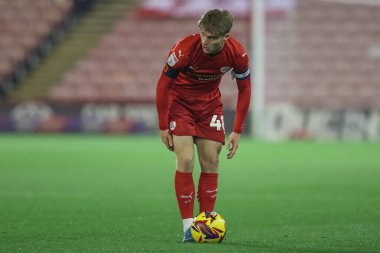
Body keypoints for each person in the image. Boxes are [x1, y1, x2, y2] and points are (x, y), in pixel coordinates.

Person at [155, 9, 251, 242]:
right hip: (181, 104)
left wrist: (237, 130)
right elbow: (163, 85)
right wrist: (163, 125)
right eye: (203, 34)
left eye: (212, 38)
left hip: (209, 107)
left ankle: (205, 224)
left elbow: (245, 89)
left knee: (211, 161)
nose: (205, 41)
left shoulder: (237, 54)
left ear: (226, 37)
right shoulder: (184, 49)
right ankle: (189, 228)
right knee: (186, 160)